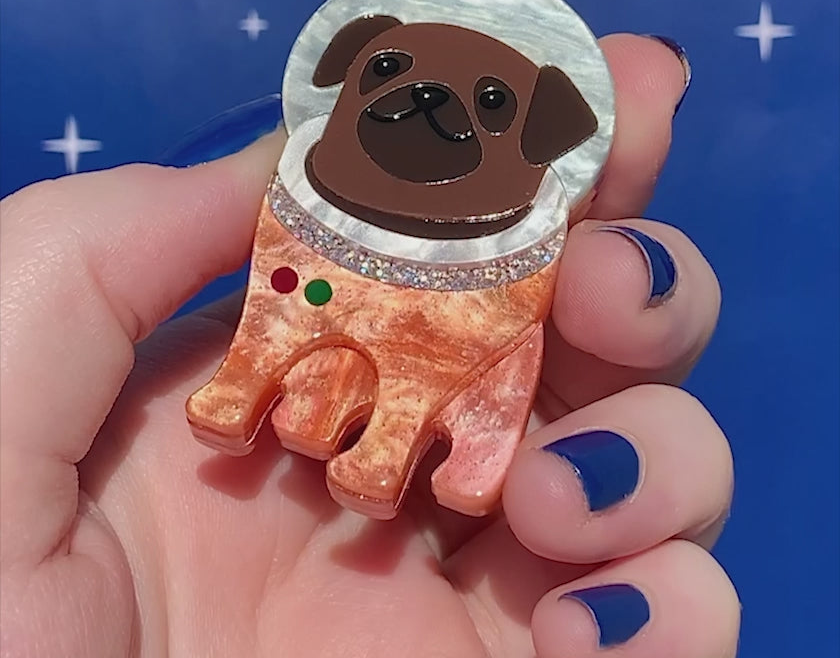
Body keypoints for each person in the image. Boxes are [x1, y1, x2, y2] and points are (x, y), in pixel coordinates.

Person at [0, 34, 739, 657]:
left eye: (491, 102)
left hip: (476, 331)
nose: (429, 97)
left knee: (452, 372)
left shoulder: (514, 264)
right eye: (387, 67)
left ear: (539, 138)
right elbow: (269, 317)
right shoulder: (298, 195)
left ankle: (395, 455)